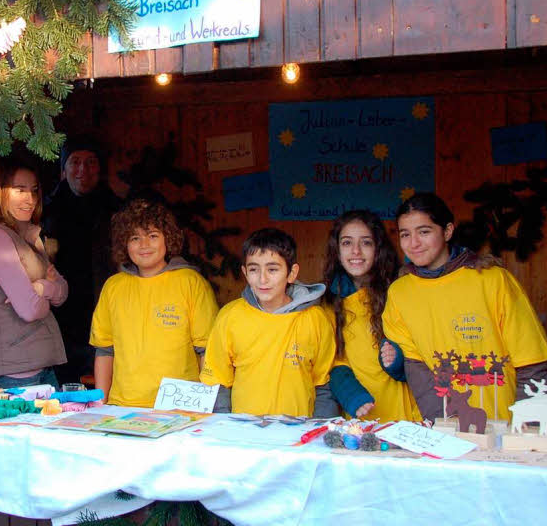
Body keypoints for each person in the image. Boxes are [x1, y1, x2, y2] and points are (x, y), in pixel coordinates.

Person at [382, 193, 547, 421]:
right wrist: (446, 426)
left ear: (447, 231)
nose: (413, 243)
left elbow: (532, 363)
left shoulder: (493, 280)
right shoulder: (399, 292)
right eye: (405, 234)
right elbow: (416, 368)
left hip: (502, 427)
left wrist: (525, 429)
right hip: (443, 428)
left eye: (424, 232)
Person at [90, 199, 218, 407]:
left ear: (167, 238)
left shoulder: (191, 283)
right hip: (122, 407)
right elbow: (105, 350)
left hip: (179, 407)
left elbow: (207, 352)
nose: (144, 245)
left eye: (152, 236)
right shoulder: (114, 286)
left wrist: (204, 406)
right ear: (125, 243)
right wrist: (100, 404)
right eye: (135, 238)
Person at [201, 228, 336, 417]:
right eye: (254, 269)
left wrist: (319, 431)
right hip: (245, 436)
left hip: (298, 436)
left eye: (272, 269)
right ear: (245, 273)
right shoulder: (230, 316)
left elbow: (323, 385)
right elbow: (218, 382)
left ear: (292, 273)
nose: (263, 279)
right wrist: (226, 427)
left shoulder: (315, 319)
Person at [0, 158, 68, 390]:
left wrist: (42, 287)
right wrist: (44, 293)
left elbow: (62, 292)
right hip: (10, 375)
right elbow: (31, 309)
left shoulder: (28, 235)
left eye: (33, 191)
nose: (30, 199)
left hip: (40, 366)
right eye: (19, 190)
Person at [323, 210, 421, 422]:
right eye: (347, 243)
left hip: (409, 413)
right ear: (337, 251)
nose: (356, 251)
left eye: (366, 242)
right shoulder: (328, 303)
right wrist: (352, 395)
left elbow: (425, 352)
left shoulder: (400, 290)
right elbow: (334, 364)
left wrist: (397, 362)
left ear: (378, 249)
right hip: (361, 415)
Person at [43, 136, 121, 384]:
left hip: (103, 302)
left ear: (100, 168)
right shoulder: (46, 209)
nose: (82, 170)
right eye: (75, 162)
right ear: (64, 169)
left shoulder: (114, 208)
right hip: (59, 311)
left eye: (90, 162)